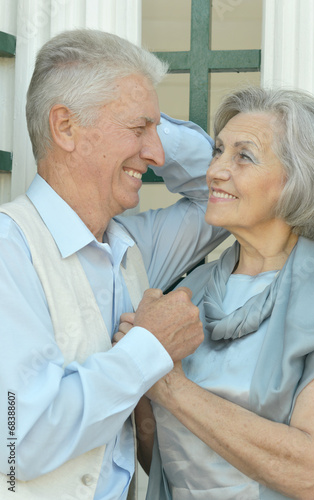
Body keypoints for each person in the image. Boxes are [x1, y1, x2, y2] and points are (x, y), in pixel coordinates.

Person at [0, 29, 229, 500]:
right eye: (139, 128)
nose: (156, 154)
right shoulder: (9, 249)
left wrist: (148, 117)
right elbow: (17, 443)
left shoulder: (133, 244)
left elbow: (222, 193)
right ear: (65, 127)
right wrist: (150, 347)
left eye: (156, 130)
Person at [128, 87, 314, 499]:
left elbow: (312, 473)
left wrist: (166, 384)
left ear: (297, 178)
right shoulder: (185, 295)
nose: (215, 171)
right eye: (218, 152)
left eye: (244, 156)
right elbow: (162, 458)